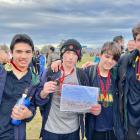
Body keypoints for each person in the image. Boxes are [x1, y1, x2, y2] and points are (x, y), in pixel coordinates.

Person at [34, 39, 101, 140]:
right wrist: (43, 92)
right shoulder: (50, 72)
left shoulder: (81, 75)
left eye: (74, 54)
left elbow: (88, 101)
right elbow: (38, 100)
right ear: (62, 54)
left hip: (73, 130)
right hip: (51, 129)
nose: (70, 57)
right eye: (68, 53)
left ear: (78, 57)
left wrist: (94, 108)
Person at [0, 34, 39, 140]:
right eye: (19, 51)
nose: (23, 56)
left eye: (28, 52)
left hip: (17, 135)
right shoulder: (2, 72)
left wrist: (28, 114)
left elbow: (33, 106)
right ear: (11, 53)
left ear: (32, 54)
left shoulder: (34, 80)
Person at [85, 42, 124, 140]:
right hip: (95, 129)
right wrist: (58, 62)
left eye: (114, 59)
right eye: (107, 56)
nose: (110, 61)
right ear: (100, 55)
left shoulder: (117, 75)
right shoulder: (88, 73)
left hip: (114, 130)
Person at [118, 23, 140, 140]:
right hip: (130, 119)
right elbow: (108, 68)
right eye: (139, 40)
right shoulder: (126, 60)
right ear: (135, 42)